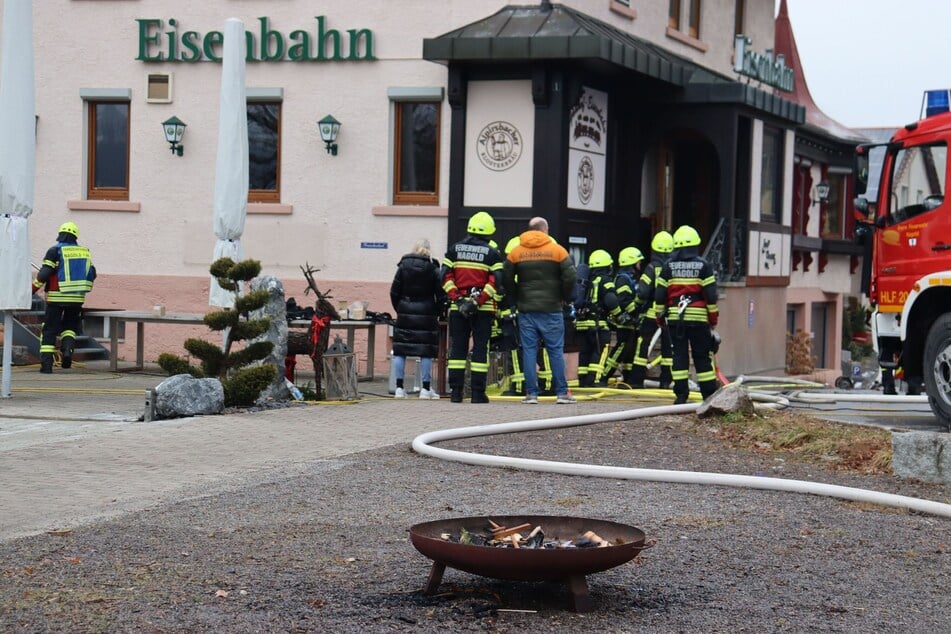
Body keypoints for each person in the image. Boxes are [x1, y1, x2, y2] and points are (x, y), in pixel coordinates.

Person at [503, 216, 576, 404]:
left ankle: (531, 394)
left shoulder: (516, 252)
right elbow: (570, 276)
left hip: (526, 309)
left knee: (528, 350)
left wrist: (516, 297)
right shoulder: (557, 251)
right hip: (552, 308)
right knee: (555, 350)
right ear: (545, 230)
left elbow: (507, 278)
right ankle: (561, 393)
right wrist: (564, 296)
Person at [441, 211, 504, 403]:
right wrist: (477, 301)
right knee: (480, 349)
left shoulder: (454, 250)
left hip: (458, 309)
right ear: (489, 231)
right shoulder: (492, 253)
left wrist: (459, 300)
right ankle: (477, 393)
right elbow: (497, 281)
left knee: (457, 349)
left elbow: (444, 276)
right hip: (482, 310)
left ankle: (456, 393)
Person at [654, 225, 719, 404]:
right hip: (699, 320)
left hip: (676, 319)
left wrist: (659, 317)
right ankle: (708, 395)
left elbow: (659, 295)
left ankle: (681, 396)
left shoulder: (668, 266)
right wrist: (713, 319)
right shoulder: (704, 266)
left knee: (679, 356)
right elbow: (711, 296)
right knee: (702, 356)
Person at [31, 221, 97, 374]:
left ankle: (46, 366)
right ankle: (67, 351)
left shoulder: (55, 251)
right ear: (75, 236)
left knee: (49, 330)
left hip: (56, 297)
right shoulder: (84, 252)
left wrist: (32, 290)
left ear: (60, 234)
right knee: (70, 328)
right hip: (77, 299)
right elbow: (93, 273)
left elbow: (44, 273)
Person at [389, 238, 444, 399]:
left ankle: (399, 388)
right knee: (425, 351)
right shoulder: (433, 268)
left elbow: (394, 291)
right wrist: (438, 311)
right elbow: (440, 295)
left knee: (400, 350)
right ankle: (425, 389)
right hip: (427, 312)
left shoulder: (403, 267)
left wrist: (400, 308)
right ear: (428, 250)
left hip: (405, 310)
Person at [629, 231, 674, 389]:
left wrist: (636, 305)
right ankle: (666, 381)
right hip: (672, 315)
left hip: (652, 314)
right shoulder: (674, 267)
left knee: (643, 345)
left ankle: (636, 381)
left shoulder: (652, 267)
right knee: (669, 348)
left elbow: (642, 292)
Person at [575, 249, 621, 388]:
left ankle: (583, 380)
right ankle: (596, 380)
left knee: (585, 352)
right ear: (606, 266)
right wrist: (618, 314)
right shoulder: (605, 280)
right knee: (600, 351)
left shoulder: (586, 281)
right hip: (598, 324)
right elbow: (611, 300)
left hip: (582, 323)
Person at [603, 246, 644, 387]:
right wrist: (636, 313)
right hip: (624, 322)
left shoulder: (628, 278)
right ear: (632, 262)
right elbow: (624, 300)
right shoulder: (623, 279)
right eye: (638, 261)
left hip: (629, 322)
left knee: (629, 351)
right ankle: (604, 375)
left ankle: (628, 378)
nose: (640, 264)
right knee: (620, 348)